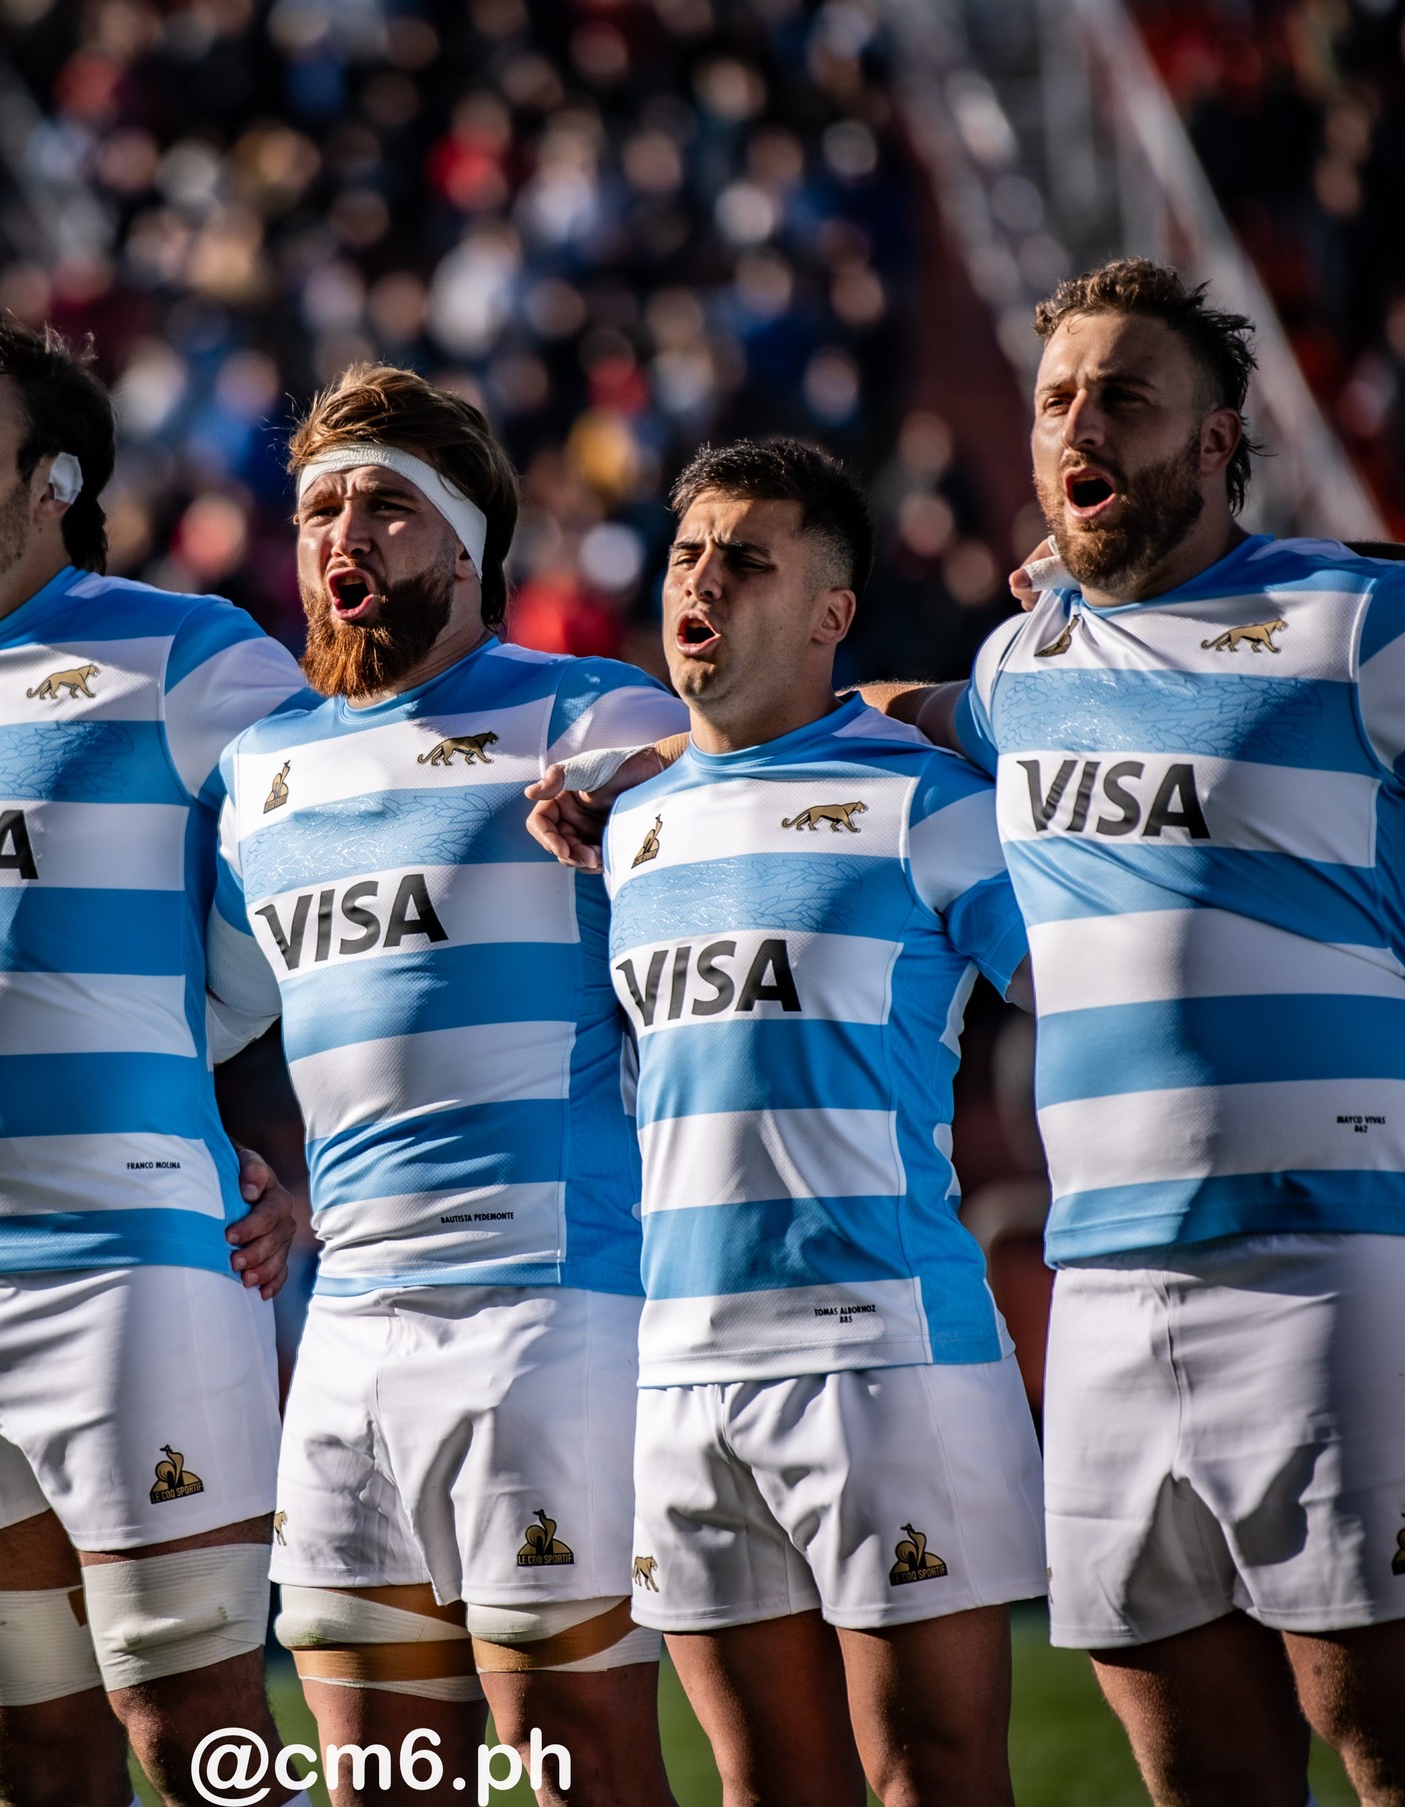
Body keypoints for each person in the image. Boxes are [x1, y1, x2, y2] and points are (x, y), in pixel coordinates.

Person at [870, 259, 1405, 1807]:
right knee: (1196, 1775)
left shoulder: (1354, 622)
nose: (1079, 422)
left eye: (1125, 396)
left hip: (1332, 1266)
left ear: (1220, 440)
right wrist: (664, 766)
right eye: (1056, 402)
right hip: (1102, 1293)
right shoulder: (1018, 664)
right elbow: (894, 716)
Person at [0, 321, 306, 1807]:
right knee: (25, 1747)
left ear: (56, 482)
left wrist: (302, 1154)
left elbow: (341, 889)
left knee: (195, 1739)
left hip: (131, 1273)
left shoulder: (193, 655)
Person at [207, 364, 690, 1806]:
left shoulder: (597, 718)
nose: (340, 533)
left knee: (581, 1766)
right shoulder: (258, 771)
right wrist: (214, 1156)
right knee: (378, 1785)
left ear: (470, 543)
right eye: (317, 508)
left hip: (558, 1317)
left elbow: (773, 778)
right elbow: (214, 1009)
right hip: (347, 1328)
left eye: (382, 505)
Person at [597, 439, 1043, 1806]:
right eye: (688, 557)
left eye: (747, 560)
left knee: (931, 1780)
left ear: (832, 614)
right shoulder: (623, 829)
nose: (704, 583)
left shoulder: (935, 807)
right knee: (764, 1787)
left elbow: (1101, 998)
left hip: (887, 1357)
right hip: (677, 1369)